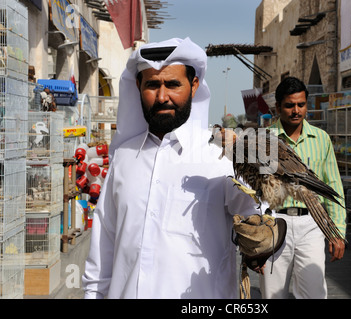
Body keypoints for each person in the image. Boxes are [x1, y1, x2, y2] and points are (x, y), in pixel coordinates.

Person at [82, 38, 261, 299]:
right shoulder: (123, 157)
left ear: (194, 85)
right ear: (138, 86)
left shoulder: (222, 155)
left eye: (173, 84)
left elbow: (261, 222)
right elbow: (103, 246)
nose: (162, 96)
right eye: (152, 85)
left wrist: (265, 238)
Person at [259, 77, 347, 299]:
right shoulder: (262, 141)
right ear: (277, 107)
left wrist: (337, 232)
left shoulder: (321, 139)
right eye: (289, 105)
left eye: (301, 104)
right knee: (272, 294)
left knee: (314, 293)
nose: (296, 111)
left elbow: (333, 186)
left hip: (312, 224)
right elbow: (251, 190)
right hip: (274, 225)